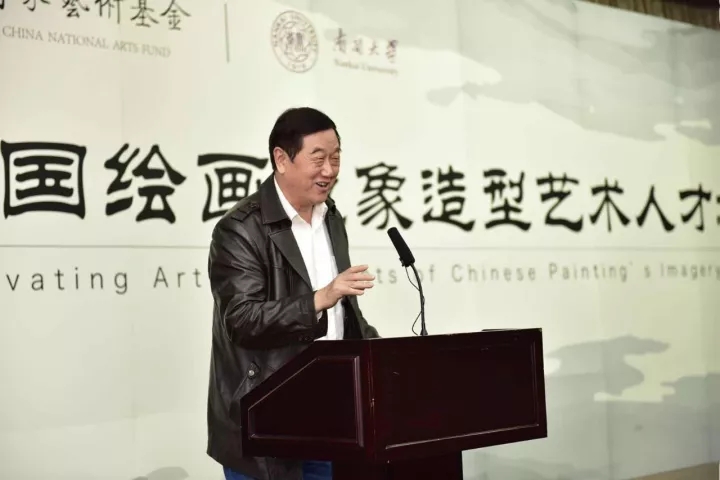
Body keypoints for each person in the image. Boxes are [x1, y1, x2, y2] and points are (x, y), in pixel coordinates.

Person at [205, 107, 381, 480]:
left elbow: (343, 314)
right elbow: (242, 321)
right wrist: (318, 299)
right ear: (281, 160)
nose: (329, 171)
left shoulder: (330, 218)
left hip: (332, 419)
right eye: (318, 159)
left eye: (336, 158)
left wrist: (388, 358)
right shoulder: (239, 229)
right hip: (266, 423)